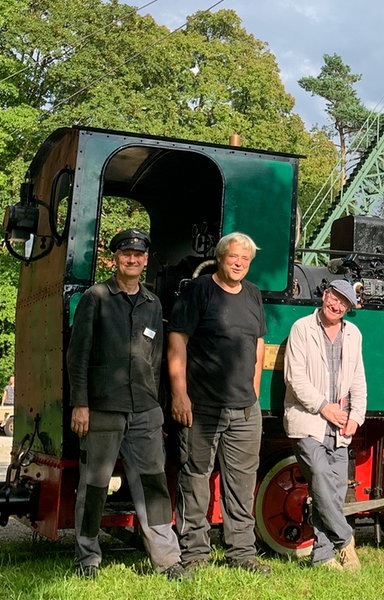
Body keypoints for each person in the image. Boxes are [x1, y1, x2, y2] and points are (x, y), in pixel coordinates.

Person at [66, 228, 187, 581]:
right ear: (114, 259)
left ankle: (166, 560)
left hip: (145, 411)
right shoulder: (96, 298)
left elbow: (156, 358)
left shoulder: (153, 303)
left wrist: (158, 406)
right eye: (125, 255)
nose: (132, 260)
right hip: (103, 407)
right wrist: (80, 404)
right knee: (95, 484)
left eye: (138, 255)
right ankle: (87, 558)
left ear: (145, 259)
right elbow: (79, 355)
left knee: (153, 484)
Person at [169, 232, 270, 575]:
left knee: (242, 484)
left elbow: (258, 346)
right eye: (233, 257)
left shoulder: (254, 295)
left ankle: (242, 553)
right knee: (195, 478)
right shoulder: (199, 291)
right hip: (202, 406)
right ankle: (194, 553)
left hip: (244, 409)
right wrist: (179, 394)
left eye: (245, 259)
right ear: (221, 258)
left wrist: (253, 391)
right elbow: (177, 343)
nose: (239, 263)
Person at [283, 279, 367, 570]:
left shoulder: (353, 334)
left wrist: (357, 416)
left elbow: (358, 378)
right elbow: (295, 378)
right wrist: (324, 407)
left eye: (344, 303)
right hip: (308, 420)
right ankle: (346, 540)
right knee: (319, 475)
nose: (337, 305)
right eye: (334, 298)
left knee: (332, 490)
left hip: (341, 426)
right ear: (325, 294)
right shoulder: (302, 329)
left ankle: (323, 555)